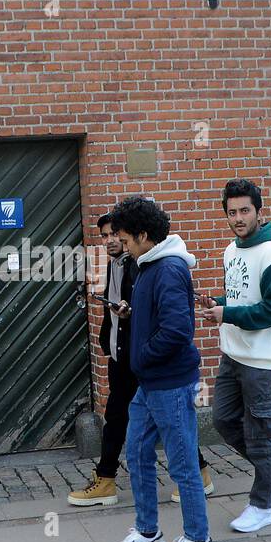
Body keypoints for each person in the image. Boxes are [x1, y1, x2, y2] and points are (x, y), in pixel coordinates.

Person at [69, 213, 211, 507]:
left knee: (168, 424)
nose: (110, 241)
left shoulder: (148, 268)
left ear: (136, 236)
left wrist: (137, 339)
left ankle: (195, 482)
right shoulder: (116, 267)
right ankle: (111, 481)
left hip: (144, 359)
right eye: (105, 236)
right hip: (124, 357)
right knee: (124, 421)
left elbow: (169, 324)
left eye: (116, 236)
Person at [105, 197, 213, 542]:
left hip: (170, 383)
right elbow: (160, 319)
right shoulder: (148, 265)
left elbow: (178, 331)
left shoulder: (167, 268)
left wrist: (142, 355)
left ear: (144, 235)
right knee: (136, 452)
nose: (122, 245)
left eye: (126, 238)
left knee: (182, 463)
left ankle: (199, 540)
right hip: (149, 384)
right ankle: (148, 533)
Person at [199, 179, 271, 533]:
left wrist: (227, 316)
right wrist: (221, 304)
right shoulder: (232, 250)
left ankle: (263, 506)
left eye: (245, 210)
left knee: (259, 434)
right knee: (224, 421)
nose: (238, 218)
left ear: (260, 212)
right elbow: (244, 299)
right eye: (232, 212)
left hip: (262, 361)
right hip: (233, 354)